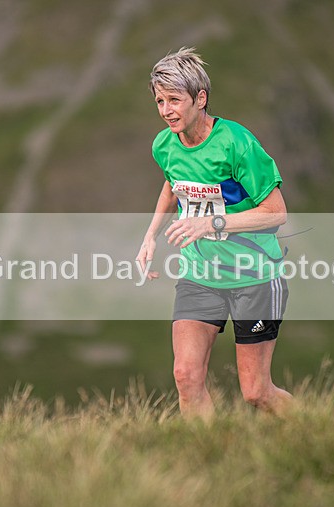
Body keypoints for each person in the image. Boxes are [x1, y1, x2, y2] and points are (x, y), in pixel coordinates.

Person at [136, 47, 292, 420]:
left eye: (175, 100)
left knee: (256, 392)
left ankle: (320, 433)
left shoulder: (237, 143)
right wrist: (151, 235)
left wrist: (211, 223)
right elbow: (173, 184)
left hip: (255, 276)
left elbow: (276, 213)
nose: (166, 110)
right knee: (186, 377)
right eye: (160, 101)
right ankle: (204, 459)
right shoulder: (164, 145)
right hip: (200, 276)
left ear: (200, 98)